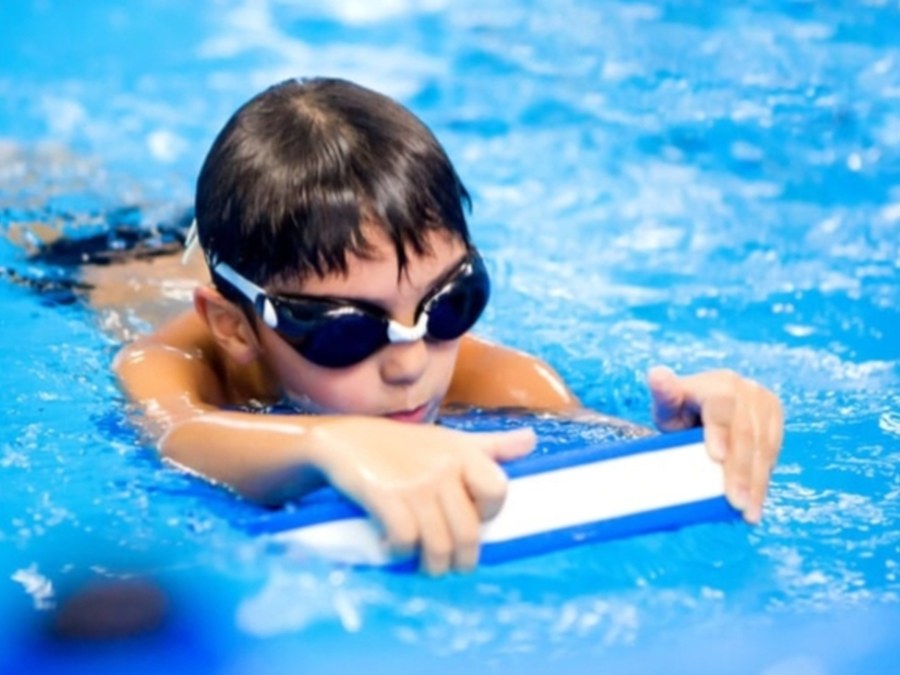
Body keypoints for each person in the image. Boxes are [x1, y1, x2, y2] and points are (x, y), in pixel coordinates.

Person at [114, 77, 784, 576]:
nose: (409, 363)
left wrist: (699, 434)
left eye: (449, 304)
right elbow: (178, 434)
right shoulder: (172, 360)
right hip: (95, 259)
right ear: (234, 327)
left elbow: (610, 455)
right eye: (346, 331)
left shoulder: (506, 379)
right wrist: (333, 443)